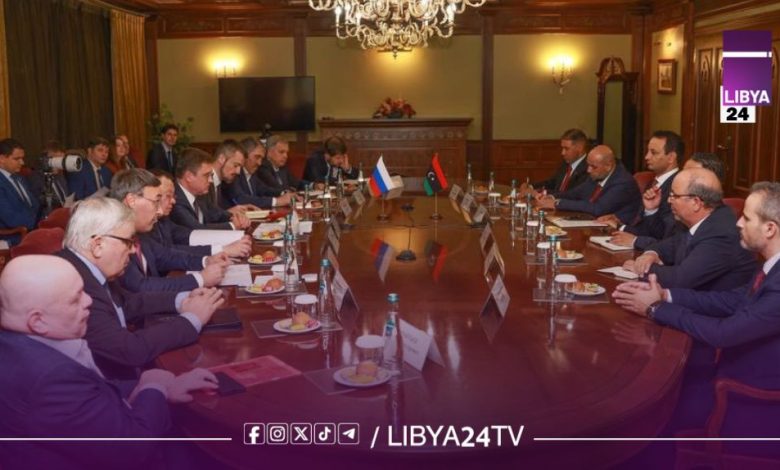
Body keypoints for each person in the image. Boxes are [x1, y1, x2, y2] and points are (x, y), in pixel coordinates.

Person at [0, 255, 219, 470]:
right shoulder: (50, 378)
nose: (88, 301)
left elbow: (91, 395)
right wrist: (154, 387)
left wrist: (160, 386)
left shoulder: (19, 344)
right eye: (75, 299)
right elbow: (134, 451)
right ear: (38, 321)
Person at [613, 182, 780, 448]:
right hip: (729, 370)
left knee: (643, 413)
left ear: (770, 228)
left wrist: (655, 309)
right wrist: (666, 295)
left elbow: (724, 334)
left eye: (747, 218)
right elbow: (731, 300)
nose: (738, 223)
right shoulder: (772, 266)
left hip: (750, 399)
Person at [57, 197, 225, 379]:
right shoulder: (74, 284)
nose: (132, 250)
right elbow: (128, 350)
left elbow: (127, 303)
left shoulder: (86, 266)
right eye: (128, 242)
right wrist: (192, 319)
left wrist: (183, 300)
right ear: (98, 245)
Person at [621, 168, 756, 291]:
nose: (668, 201)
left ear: (696, 202)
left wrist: (643, 269)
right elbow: (670, 245)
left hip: (710, 306)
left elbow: (681, 279)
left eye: (674, 196)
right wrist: (651, 254)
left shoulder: (721, 233)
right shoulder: (698, 220)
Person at [110, 169, 229, 293]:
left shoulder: (139, 233)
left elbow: (166, 256)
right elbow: (140, 287)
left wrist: (206, 261)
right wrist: (200, 279)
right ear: (131, 200)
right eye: (156, 202)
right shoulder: (113, 240)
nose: (159, 211)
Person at [599, 130, 683, 250]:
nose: (646, 157)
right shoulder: (652, 182)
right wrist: (618, 220)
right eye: (647, 151)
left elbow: (663, 233)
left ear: (671, 157)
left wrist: (621, 228)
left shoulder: (678, 187)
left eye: (653, 153)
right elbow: (641, 219)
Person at [149, 169, 252, 258]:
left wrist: (236, 236)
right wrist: (223, 249)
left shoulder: (164, 220)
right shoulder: (148, 225)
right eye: (168, 196)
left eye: (173, 196)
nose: (173, 201)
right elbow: (168, 252)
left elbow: (189, 235)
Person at [536, 144, 641, 223]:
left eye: (593, 167)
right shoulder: (597, 175)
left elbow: (598, 209)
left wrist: (557, 203)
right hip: (592, 223)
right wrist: (551, 197)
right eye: (588, 165)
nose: (588, 170)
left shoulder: (623, 182)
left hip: (617, 232)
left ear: (608, 166)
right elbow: (574, 194)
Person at [170, 147, 250, 230]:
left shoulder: (200, 194)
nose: (211, 180)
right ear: (189, 177)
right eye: (206, 175)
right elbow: (197, 230)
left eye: (211, 175)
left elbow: (216, 214)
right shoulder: (174, 200)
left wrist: (236, 217)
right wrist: (233, 225)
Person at [221, 139, 291, 209]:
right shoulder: (234, 173)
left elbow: (264, 190)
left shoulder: (252, 174)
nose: (259, 163)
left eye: (261, 159)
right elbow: (241, 199)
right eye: (257, 157)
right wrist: (276, 201)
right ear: (245, 156)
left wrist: (283, 193)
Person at [523, 128, 590, 196]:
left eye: (566, 149)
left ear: (580, 148)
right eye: (562, 148)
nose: (562, 153)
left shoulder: (588, 168)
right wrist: (531, 187)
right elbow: (552, 182)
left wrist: (539, 192)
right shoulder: (565, 163)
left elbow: (570, 194)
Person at [0, 138, 40, 245]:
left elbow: (34, 205)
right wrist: (41, 224)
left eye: (22, 158)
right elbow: (11, 218)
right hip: (12, 237)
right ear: (2, 159)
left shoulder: (19, 178)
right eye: (17, 159)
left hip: (31, 230)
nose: (22, 162)